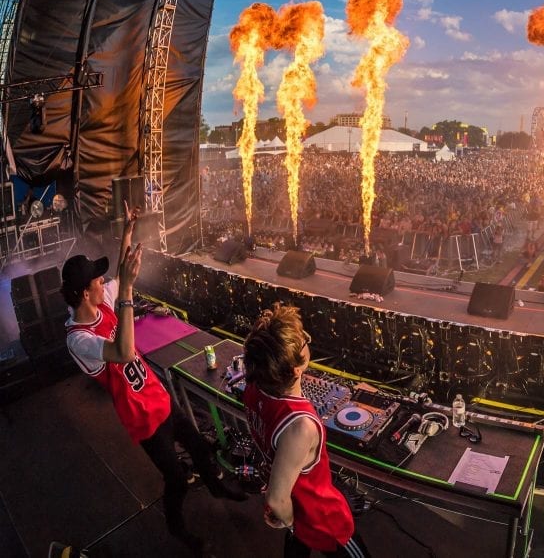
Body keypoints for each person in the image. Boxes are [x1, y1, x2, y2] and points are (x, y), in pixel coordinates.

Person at [62, 204, 245, 555]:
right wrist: (128, 291)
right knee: (176, 479)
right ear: (85, 292)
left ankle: (216, 486)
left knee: (198, 445)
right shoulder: (78, 339)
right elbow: (123, 351)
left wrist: (128, 232)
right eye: (97, 281)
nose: (104, 283)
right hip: (141, 418)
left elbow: (120, 273)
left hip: (157, 395)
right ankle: (177, 529)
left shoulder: (101, 303)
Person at [242, 305, 370, 558]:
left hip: (294, 499)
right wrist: (291, 522)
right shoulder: (301, 427)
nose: (307, 341)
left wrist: (286, 517)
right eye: (304, 341)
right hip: (322, 519)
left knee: (296, 545)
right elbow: (276, 499)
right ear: (296, 370)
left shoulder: (253, 389)